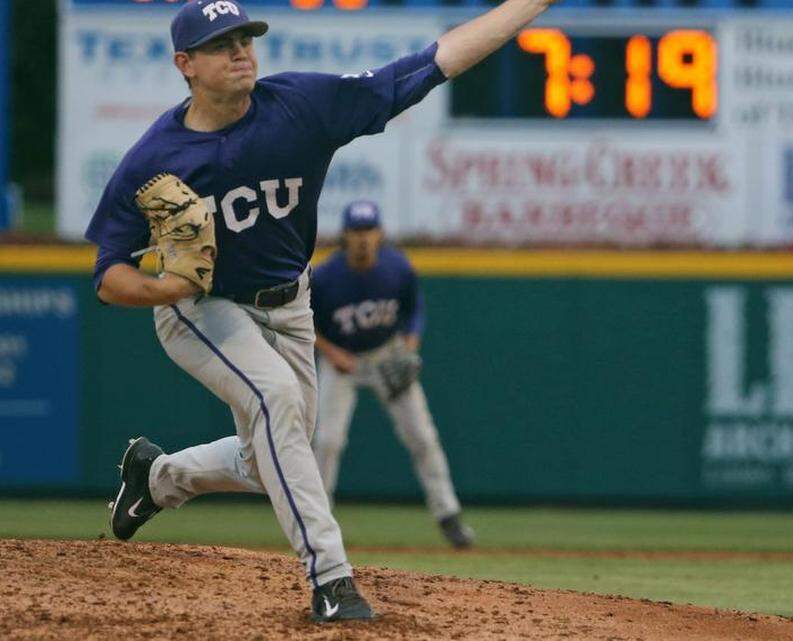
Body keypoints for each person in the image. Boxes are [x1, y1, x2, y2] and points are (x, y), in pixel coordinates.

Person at [86, 0, 555, 623]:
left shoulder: (301, 107)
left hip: (291, 304)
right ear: (185, 64)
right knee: (277, 400)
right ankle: (331, 580)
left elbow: (432, 63)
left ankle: (158, 477)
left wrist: (529, 6)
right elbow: (108, 275)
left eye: (246, 38)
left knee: (276, 454)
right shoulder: (156, 157)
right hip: (202, 307)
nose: (240, 51)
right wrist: (162, 289)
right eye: (221, 43)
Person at [310, 201, 474, 549]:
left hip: (387, 355)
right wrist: (331, 352)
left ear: (379, 233)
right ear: (345, 236)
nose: (363, 238)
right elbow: (303, 322)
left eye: (368, 230)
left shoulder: (397, 267)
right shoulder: (325, 277)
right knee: (327, 440)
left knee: (422, 436)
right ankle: (317, 522)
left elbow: (414, 310)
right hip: (344, 362)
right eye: (356, 231)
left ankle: (448, 515)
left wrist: (410, 345)